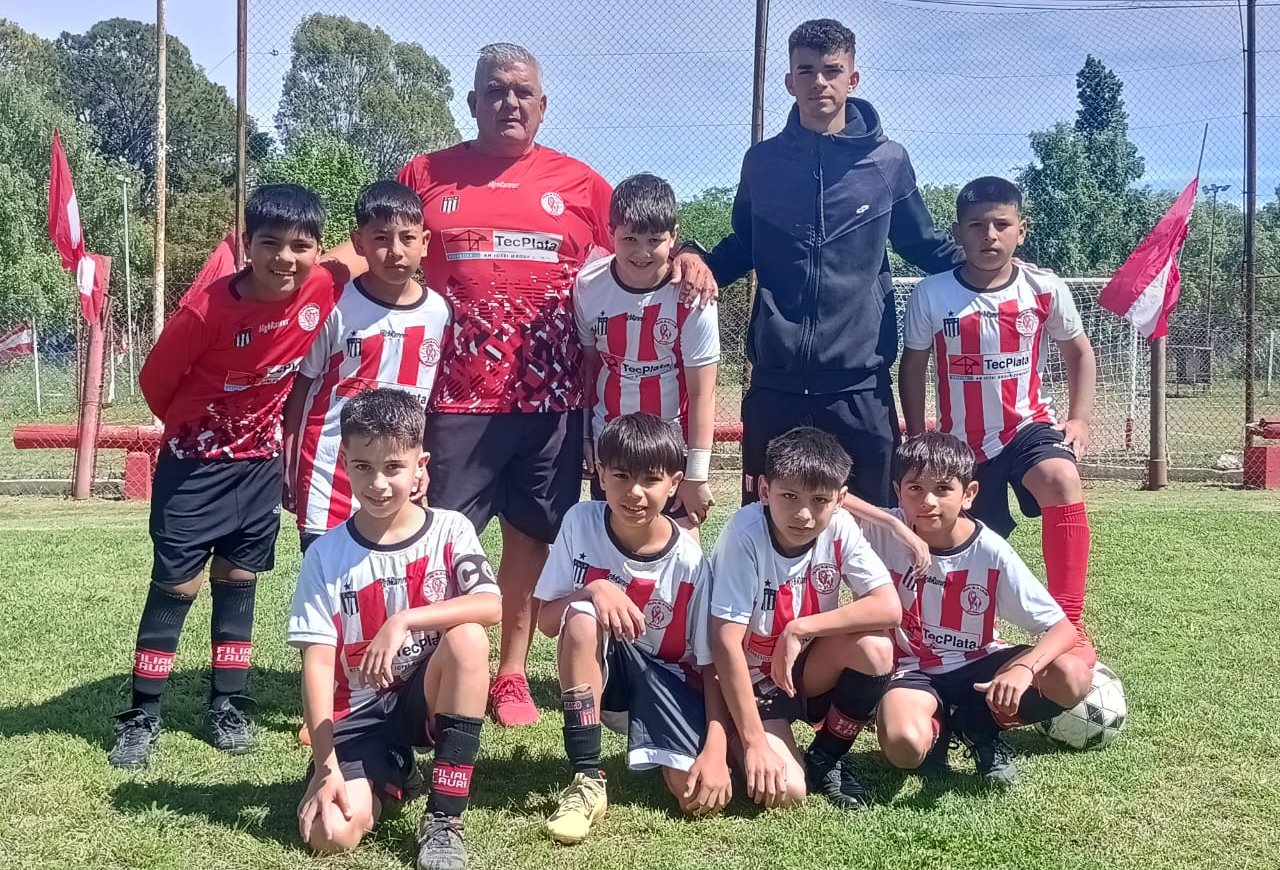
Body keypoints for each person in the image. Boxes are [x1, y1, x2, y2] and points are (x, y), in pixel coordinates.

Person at [325, 43, 716, 727]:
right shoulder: (425, 173)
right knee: (439, 538)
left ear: (542, 105)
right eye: (495, 90)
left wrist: (691, 254)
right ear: (472, 102)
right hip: (456, 402)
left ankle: (509, 674)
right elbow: (376, 239)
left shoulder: (579, 182)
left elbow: (642, 234)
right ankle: (427, 670)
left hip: (553, 404)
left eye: (522, 91)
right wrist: (304, 274)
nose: (509, 101)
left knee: (532, 539)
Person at [109, 184, 347, 769]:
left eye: (300, 246)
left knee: (239, 578)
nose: (285, 258)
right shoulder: (205, 312)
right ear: (246, 244)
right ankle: (143, 715)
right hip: (194, 466)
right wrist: (204, 429)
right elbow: (155, 385)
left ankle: (228, 706)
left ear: (317, 251)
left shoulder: (321, 286)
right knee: (176, 586)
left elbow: (364, 252)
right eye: (270, 244)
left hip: (259, 467)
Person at [687, 18, 961, 509]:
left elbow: (924, 245)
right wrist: (692, 256)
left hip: (859, 386)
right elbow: (744, 244)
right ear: (789, 81)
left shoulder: (887, 162)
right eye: (806, 71)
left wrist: (1003, 273)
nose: (819, 82)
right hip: (776, 386)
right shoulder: (762, 163)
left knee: (875, 525)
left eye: (832, 70)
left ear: (852, 79)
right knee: (768, 524)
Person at [288, 388, 500, 870]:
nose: (378, 483)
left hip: (423, 697)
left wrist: (403, 620)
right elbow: (317, 666)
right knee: (330, 834)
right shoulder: (325, 555)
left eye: (393, 467)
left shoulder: (450, 529)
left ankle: (444, 819)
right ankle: (393, 771)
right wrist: (325, 767)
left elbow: (491, 606)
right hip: (357, 714)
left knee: (468, 637)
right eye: (363, 467)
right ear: (344, 462)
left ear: (419, 466)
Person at [899, 176, 1098, 664]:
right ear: (958, 233)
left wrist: (1079, 420)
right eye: (976, 225)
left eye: (1001, 224)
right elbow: (913, 366)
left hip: (1026, 427)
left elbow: (1079, 352)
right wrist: (919, 435)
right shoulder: (931, 293)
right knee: (959, 537)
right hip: (960, 443)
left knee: (1061, 477)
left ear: (1021, 230)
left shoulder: (1044, 288)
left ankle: (1071, 624)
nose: (989, 234)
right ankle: (949, 636)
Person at [533, 413, 730, 843]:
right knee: (581, 618)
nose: (635, 492)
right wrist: (593, 588)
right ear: (601, 474)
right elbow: (548, 622)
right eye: (621, 476)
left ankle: (689, 746)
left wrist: (715, 749)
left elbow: (711, 665)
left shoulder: (690, 564)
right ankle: (587, 778)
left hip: (668, 681)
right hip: (608, 679)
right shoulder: (580, 522)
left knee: (694, 797)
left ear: (674, 484)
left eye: (650, 479)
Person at [863, 432, 1092, 785]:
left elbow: (1063, 630)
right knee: (904, 748)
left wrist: (1024, 670)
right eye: (915, 489)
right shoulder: (884, 529)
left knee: (1072, 676)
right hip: (913, 669)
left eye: (943, 489)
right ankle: (937, 730)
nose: (927, 502)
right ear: (898, 491)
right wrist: (894, 523)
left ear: (968, 494)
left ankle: (978, 725)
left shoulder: (990, 550)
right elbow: (833, 500)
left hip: (979, 665)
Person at [706, 427, 900, 809]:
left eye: (819, 500)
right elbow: (724, 643)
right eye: (789, 496)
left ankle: (826, 755)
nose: (804, 514)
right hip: (753, 681)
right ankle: (738, 733)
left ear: (839, 500)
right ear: (764, 490)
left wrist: (800, 628)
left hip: (803, 670)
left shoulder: (840, 526)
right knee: (789, 792)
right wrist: (755, 743)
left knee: (876, 649)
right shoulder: (744, 536)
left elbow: (889, 607)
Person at [283, 180, 451, 554]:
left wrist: (420, 462)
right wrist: (289, 459)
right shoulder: (335, 306)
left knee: (391, 574)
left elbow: (427, 405)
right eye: (381, 239)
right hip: (330, 471)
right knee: (326, 575)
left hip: (398, 475)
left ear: (424, 242)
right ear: (359, 243)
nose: (395, 251)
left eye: (407, 238)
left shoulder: (439, 313)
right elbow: (301, 389)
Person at [574, 173, 720, 534]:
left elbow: (703, 393)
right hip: (612, 442)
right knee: (612, 548)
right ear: (611, 233)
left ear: (673, 236)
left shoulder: (693, 293)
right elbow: (588, 369)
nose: (642, 252)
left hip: (670, 445)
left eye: (654, 240)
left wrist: (696, 475)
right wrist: (585, 438)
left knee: (682, 551)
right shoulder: (588, 285)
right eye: (629, 239)